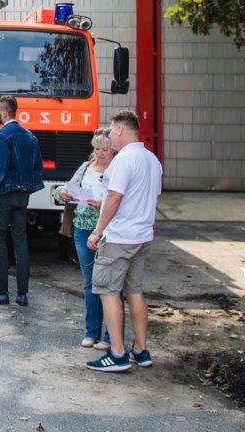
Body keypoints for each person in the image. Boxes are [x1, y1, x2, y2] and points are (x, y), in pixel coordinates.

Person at [86, 110, 163, 373]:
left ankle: (117, 353)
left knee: (108, 291)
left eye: (111, 129)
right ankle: (141, 350)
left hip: (119, 237)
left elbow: (115, 197)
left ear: (119, 129)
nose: (109, 133)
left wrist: (97, 231)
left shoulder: (123, 160)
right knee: (135, 291)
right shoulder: (152, 160)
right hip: (142, 236)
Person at [0, 95, 44, 307]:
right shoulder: (30, 136)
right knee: (20, 242)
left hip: (3, 195)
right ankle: (22, 294)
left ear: (4, 113)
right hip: (22, 195)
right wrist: (28, 189)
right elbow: (37, 167)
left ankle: (0, 292)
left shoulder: (2, 135)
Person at [58, 128, 113, 349]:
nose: (100, 153)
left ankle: (110, 336)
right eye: (97, 148)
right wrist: (62, 191)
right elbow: (67, 187)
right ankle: (91, 331)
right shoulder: (85, 167)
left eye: (105, 149)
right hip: (81, 228)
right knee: (90, 283)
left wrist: (102, 205)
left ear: (113, 150)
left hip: (107, 231)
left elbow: (120, 200)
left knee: (108, 284)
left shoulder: (117, 170)